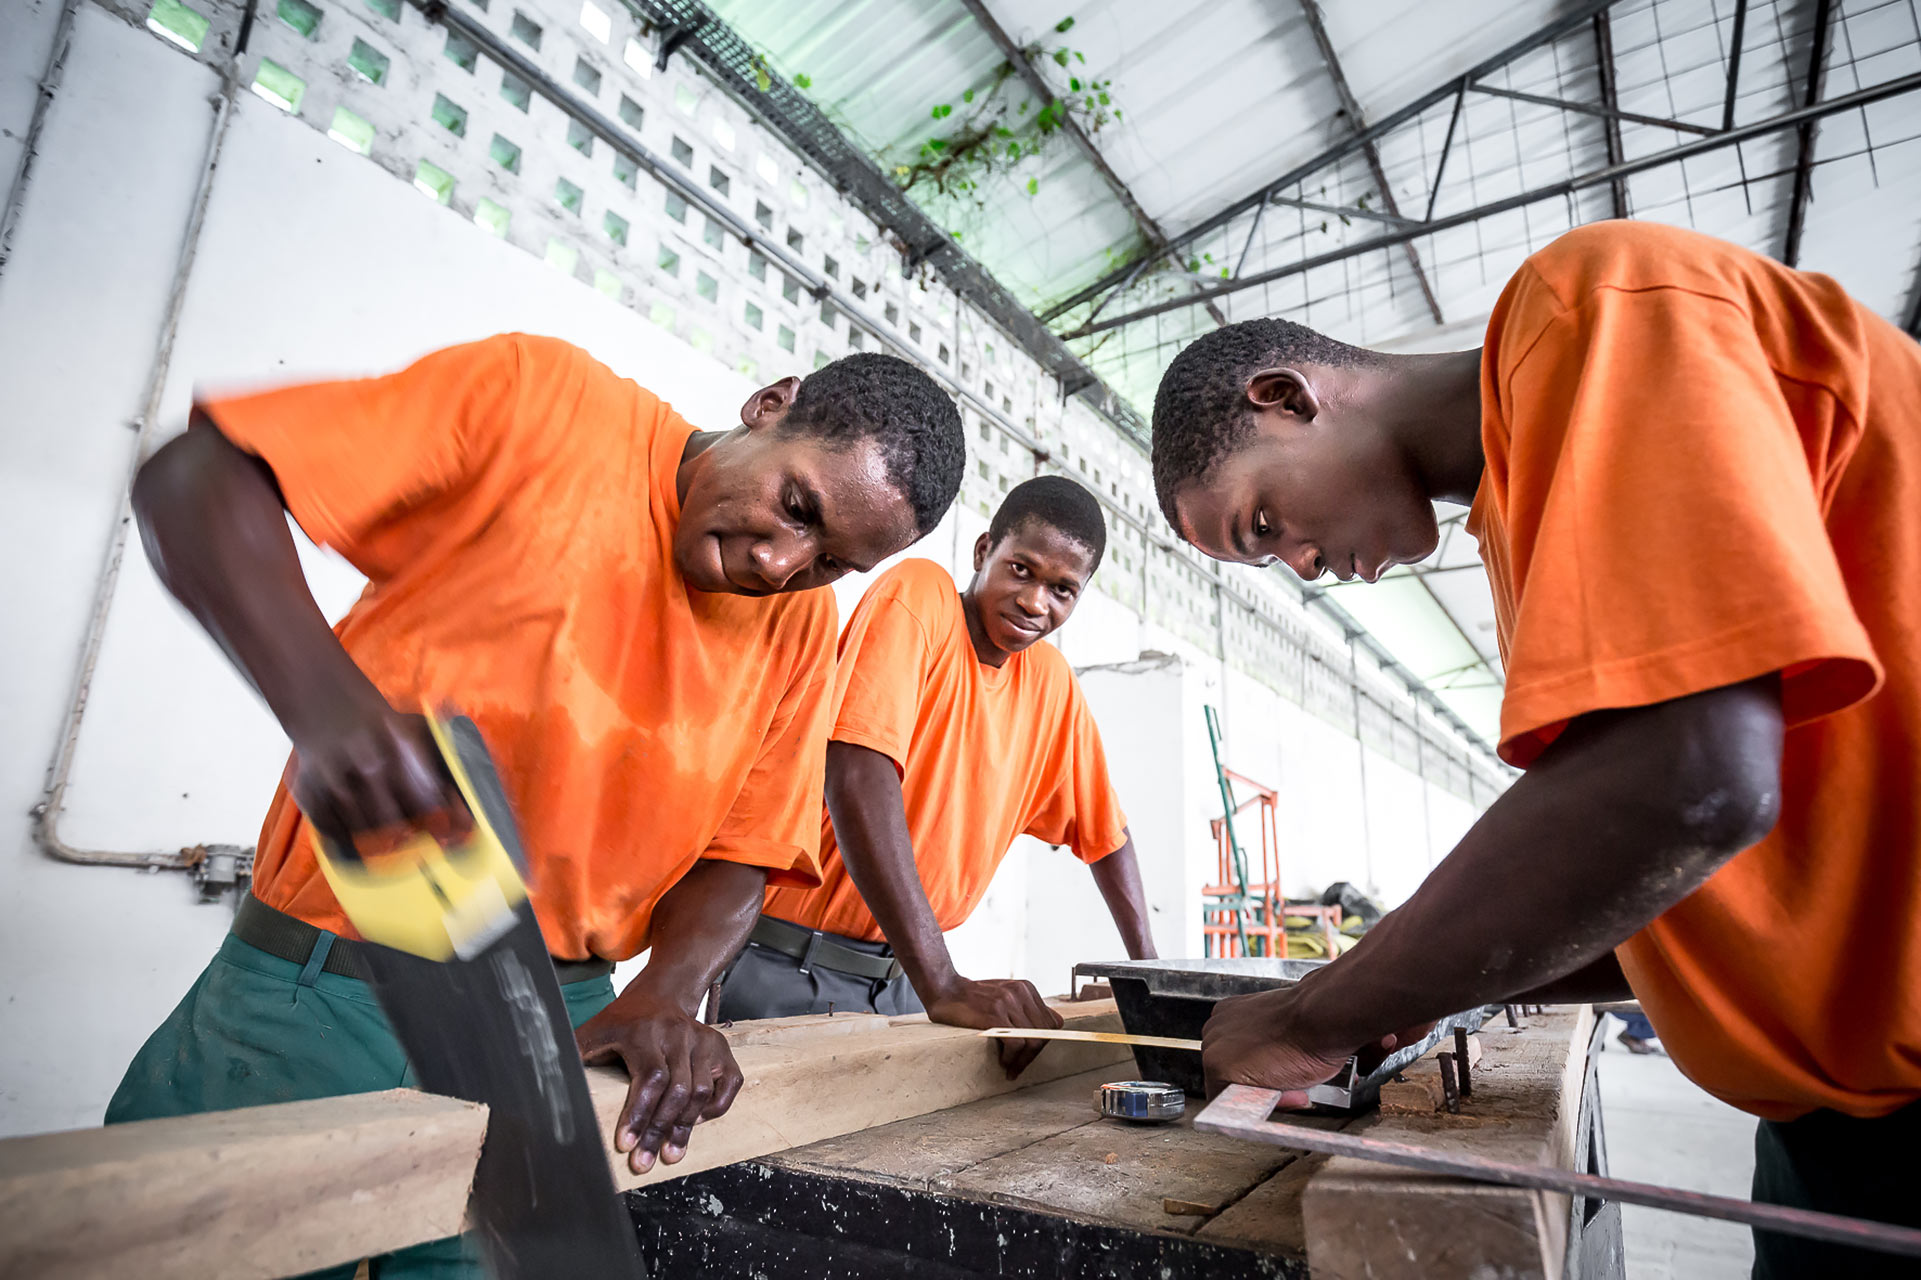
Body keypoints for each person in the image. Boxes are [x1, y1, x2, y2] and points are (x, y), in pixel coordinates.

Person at [1147, 220, 1921, 1278]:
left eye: (1264, 522)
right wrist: (1410, 984)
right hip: (1834, 1124)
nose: (1306, 561)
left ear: (1285, 396)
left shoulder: (1594, 304)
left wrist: (1312, 1011)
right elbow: (1664, 888)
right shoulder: (1530, 515)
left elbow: (1690, 784)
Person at [108, 334, 964, 1278]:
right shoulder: (543, 402)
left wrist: (667, 993)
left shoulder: (800, 625)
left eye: (831, 560)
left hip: (563, 1028)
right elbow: (196, 477)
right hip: (324, 988)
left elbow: (743, 849)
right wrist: (325, 706)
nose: (780, 563)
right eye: (796, 506)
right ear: (770, 405)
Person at [716, 476, 1157, 1076]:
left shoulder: (1050, 683)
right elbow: (857, 767)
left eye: (1062, 590)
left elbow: (1108, 837)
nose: (1034, 602)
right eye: (1021, 570)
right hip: (789, 966)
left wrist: (1150, 978)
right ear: (982, 553)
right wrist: (944, 980)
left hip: (903, 982)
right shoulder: (919, 596)